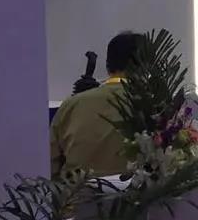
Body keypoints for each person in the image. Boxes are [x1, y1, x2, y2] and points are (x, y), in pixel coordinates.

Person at [50, 31, 142, 177]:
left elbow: (50, 163)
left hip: (76, 190)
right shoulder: (156, 108)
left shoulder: (71, 105)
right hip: (138, 191)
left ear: (107, 65)